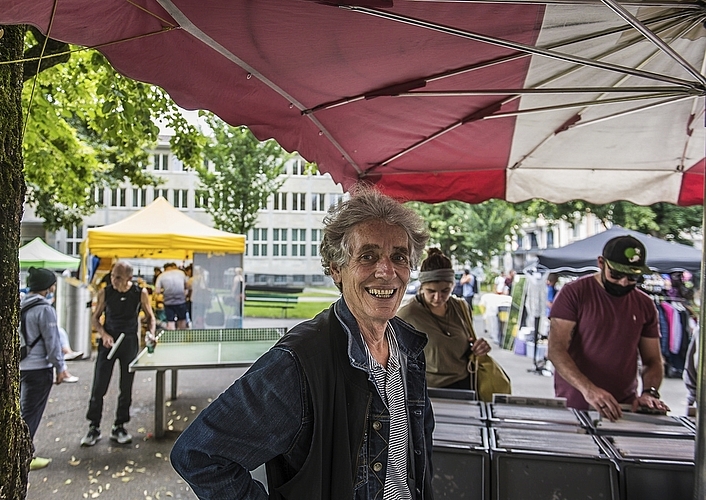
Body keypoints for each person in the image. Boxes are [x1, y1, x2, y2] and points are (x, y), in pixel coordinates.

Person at [171, 185, 434, 499]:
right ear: (336, 269)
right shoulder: (299, 362)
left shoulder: (408, 347)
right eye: (368, 256)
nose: (386, 271)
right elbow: (199, 454)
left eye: (399, 257)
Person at [547, 235, 669, 420]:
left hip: (624, 407)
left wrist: (649, 392)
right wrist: (589, 390)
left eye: (632, 277)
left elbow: (652, 360)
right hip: (577, 404)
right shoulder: (574, 293)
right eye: (617, 275)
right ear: (601, 263)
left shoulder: (645, 304)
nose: (623, 282)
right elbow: (556, 350)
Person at [81, 261, 156, 446]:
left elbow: (150, 317)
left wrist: (150, 333)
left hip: (129, 341)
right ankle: (94, 427)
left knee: (126, 386)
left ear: (128, 278)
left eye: (117, 277)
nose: (112, 279)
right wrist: (103, 334)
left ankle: (119, 426)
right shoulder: (106, 292)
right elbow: (95, 318)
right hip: (109, 342)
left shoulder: (140, 293)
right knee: (99, 385)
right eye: (113, 275)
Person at [398, 248, 491, 390]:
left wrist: (479, 348)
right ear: (421, 287)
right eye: (431, 291)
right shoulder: (406, 315)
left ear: (453, 286)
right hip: (427, 392)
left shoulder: (461, 308)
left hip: (465, 385)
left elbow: (468, 344)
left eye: (445, 291)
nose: (438, 297)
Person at [20, 267, 74, 470]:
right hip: (39, 368)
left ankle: (20, 452)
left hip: (22, 366)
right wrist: (61, 367)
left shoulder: (22, 304)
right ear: (48, 286)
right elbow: (52, 343)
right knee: (30, 414)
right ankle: (24, 456)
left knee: (24, 411)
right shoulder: (45, 309)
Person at [154, 262, 189, 330]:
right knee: (182, 320)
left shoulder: (161, 276)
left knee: (170, 322)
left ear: (165, 269)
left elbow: (157, 291)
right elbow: (187, 286)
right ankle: (182, 337)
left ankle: (172, 338)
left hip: (168, 303)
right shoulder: (181, 273)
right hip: (181, 301)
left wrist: (164, 290)